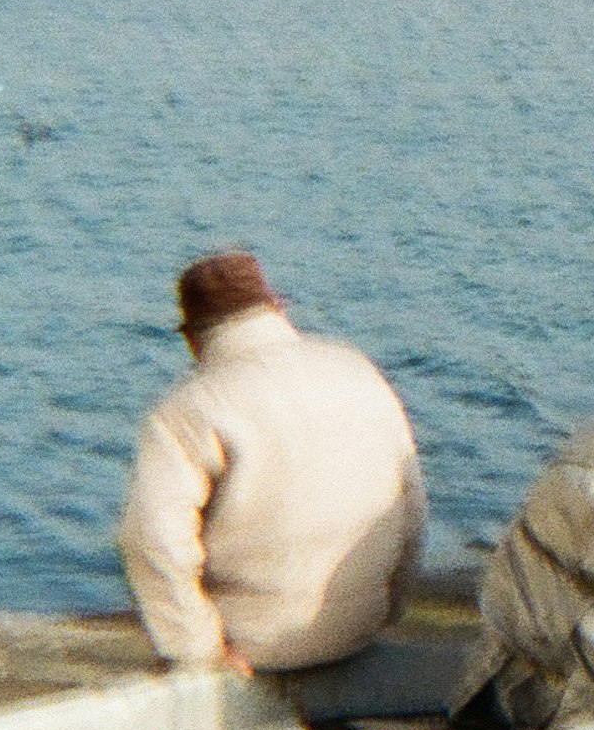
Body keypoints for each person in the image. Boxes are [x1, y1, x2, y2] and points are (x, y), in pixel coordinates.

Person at [116, 251, 426, 678]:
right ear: (277, 307)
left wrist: (201, 652)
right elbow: (412, 508)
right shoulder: (356, 369)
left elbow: (153, 541)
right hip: (358, 631)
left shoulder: (187, 410)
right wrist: (388, 609)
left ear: (192, 337)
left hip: (253, 646)